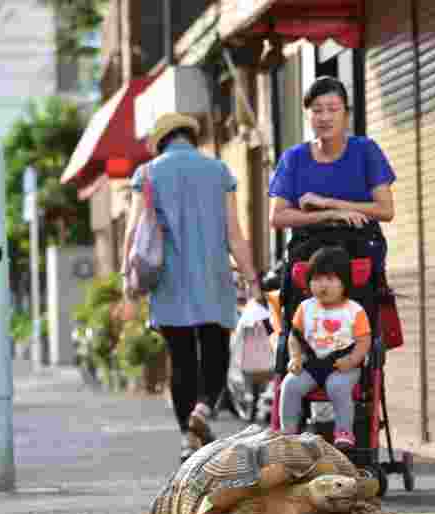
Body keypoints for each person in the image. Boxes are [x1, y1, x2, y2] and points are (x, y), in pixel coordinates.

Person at [120, 112, 262, 462]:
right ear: (192, 137)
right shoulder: (218, 171)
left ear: (161, 141)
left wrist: (128, 279)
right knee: (215, 351)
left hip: (168, 283)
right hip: (214, 280)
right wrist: (251, 278)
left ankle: (187, 437)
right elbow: (234, 233)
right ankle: (202, 409)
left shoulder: (148, 173)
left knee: (181, 360)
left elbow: (132, 231)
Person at [268, 75, 396, 288]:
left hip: (359, 255)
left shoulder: (366, 150)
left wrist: (328, 202)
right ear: (307, 115)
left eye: (333, 109)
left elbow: (386, 210)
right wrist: (329, 215)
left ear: (346, 114)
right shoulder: (294, 158)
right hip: (308, 259)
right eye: (317, 110)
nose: (325, 117)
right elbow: (277, 217)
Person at [280, 246, 372, 449]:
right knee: (290, 385)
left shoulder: (354, 310)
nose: (323, 285)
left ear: (344, 283)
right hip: (311, 362)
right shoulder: (305, 308)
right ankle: (288, 433)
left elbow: (364, 341)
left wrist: (352, 360)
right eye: (317, 279)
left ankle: (344, 431)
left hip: (344, 364)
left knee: (337, 386)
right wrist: (295, 357)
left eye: (330, 279)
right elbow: (294, 337)